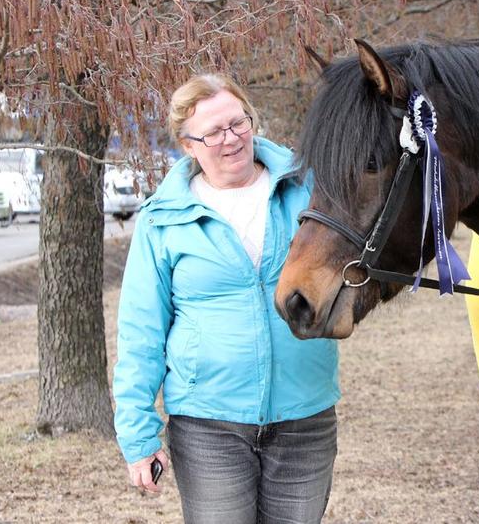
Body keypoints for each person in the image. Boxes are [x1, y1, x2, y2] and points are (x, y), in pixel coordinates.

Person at [112, 74, 339, 524]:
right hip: (208, 424)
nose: (231, 139)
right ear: (188, 144)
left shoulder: (310, 190)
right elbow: (141, 330)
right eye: (213, 132)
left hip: (304, 418)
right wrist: (138, 436)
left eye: (238, 123)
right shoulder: (164, 219)